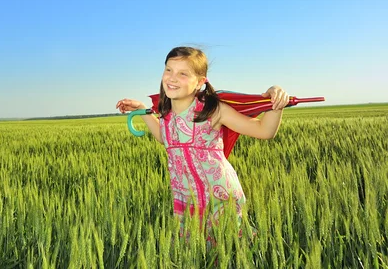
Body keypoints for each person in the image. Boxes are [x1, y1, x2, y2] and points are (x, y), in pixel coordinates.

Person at [115, 46, 289, 236]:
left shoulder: (212, 111)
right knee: (194, 253)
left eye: (183, 73)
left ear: (200, 82)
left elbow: (264, 131)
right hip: (185, 200)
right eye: (168, 70)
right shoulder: (165, 114)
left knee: (230, 247)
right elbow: (166, 139)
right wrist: (141, 108)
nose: (172, 78)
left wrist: (276, 101)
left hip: (220, 197)